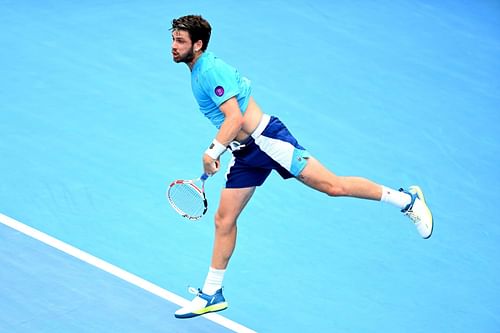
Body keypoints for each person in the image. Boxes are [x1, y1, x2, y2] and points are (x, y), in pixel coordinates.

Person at [170, 14, 433, 319]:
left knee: (334, 187)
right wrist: (226, 148)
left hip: (269, 141)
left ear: (198, 45)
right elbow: (233, 122)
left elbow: (235, 118)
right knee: (223, 219)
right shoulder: (198, 70)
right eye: (173, 39)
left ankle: (407, 200)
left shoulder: (209, 71)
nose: (173, 46)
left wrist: (212, 150)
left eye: (180, 41)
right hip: (244, 153)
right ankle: (212, 292)